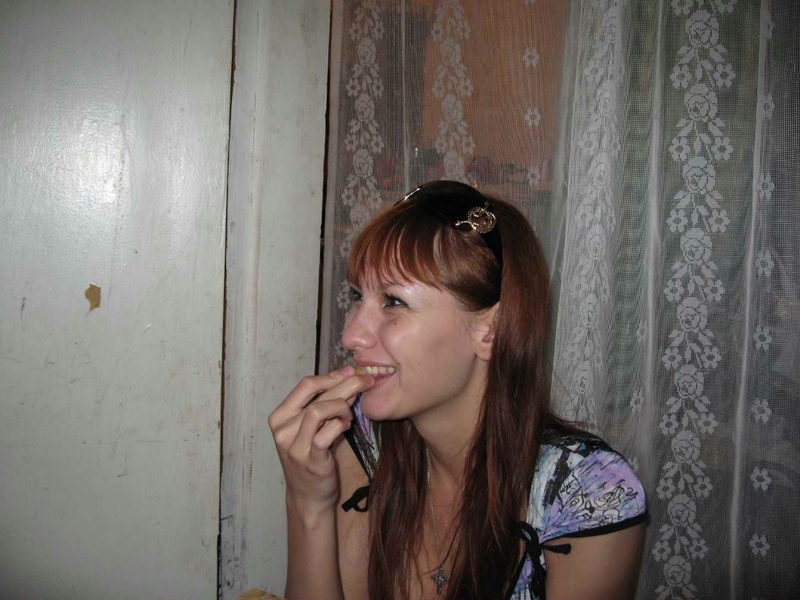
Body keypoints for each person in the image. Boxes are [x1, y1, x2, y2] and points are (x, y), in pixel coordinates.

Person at [269, 181, 646, 600]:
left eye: (393, 301)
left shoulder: (585, 493)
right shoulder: (358, 438)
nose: (351, 335)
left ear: (491, 331)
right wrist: (307, 503)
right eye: (358, 296)